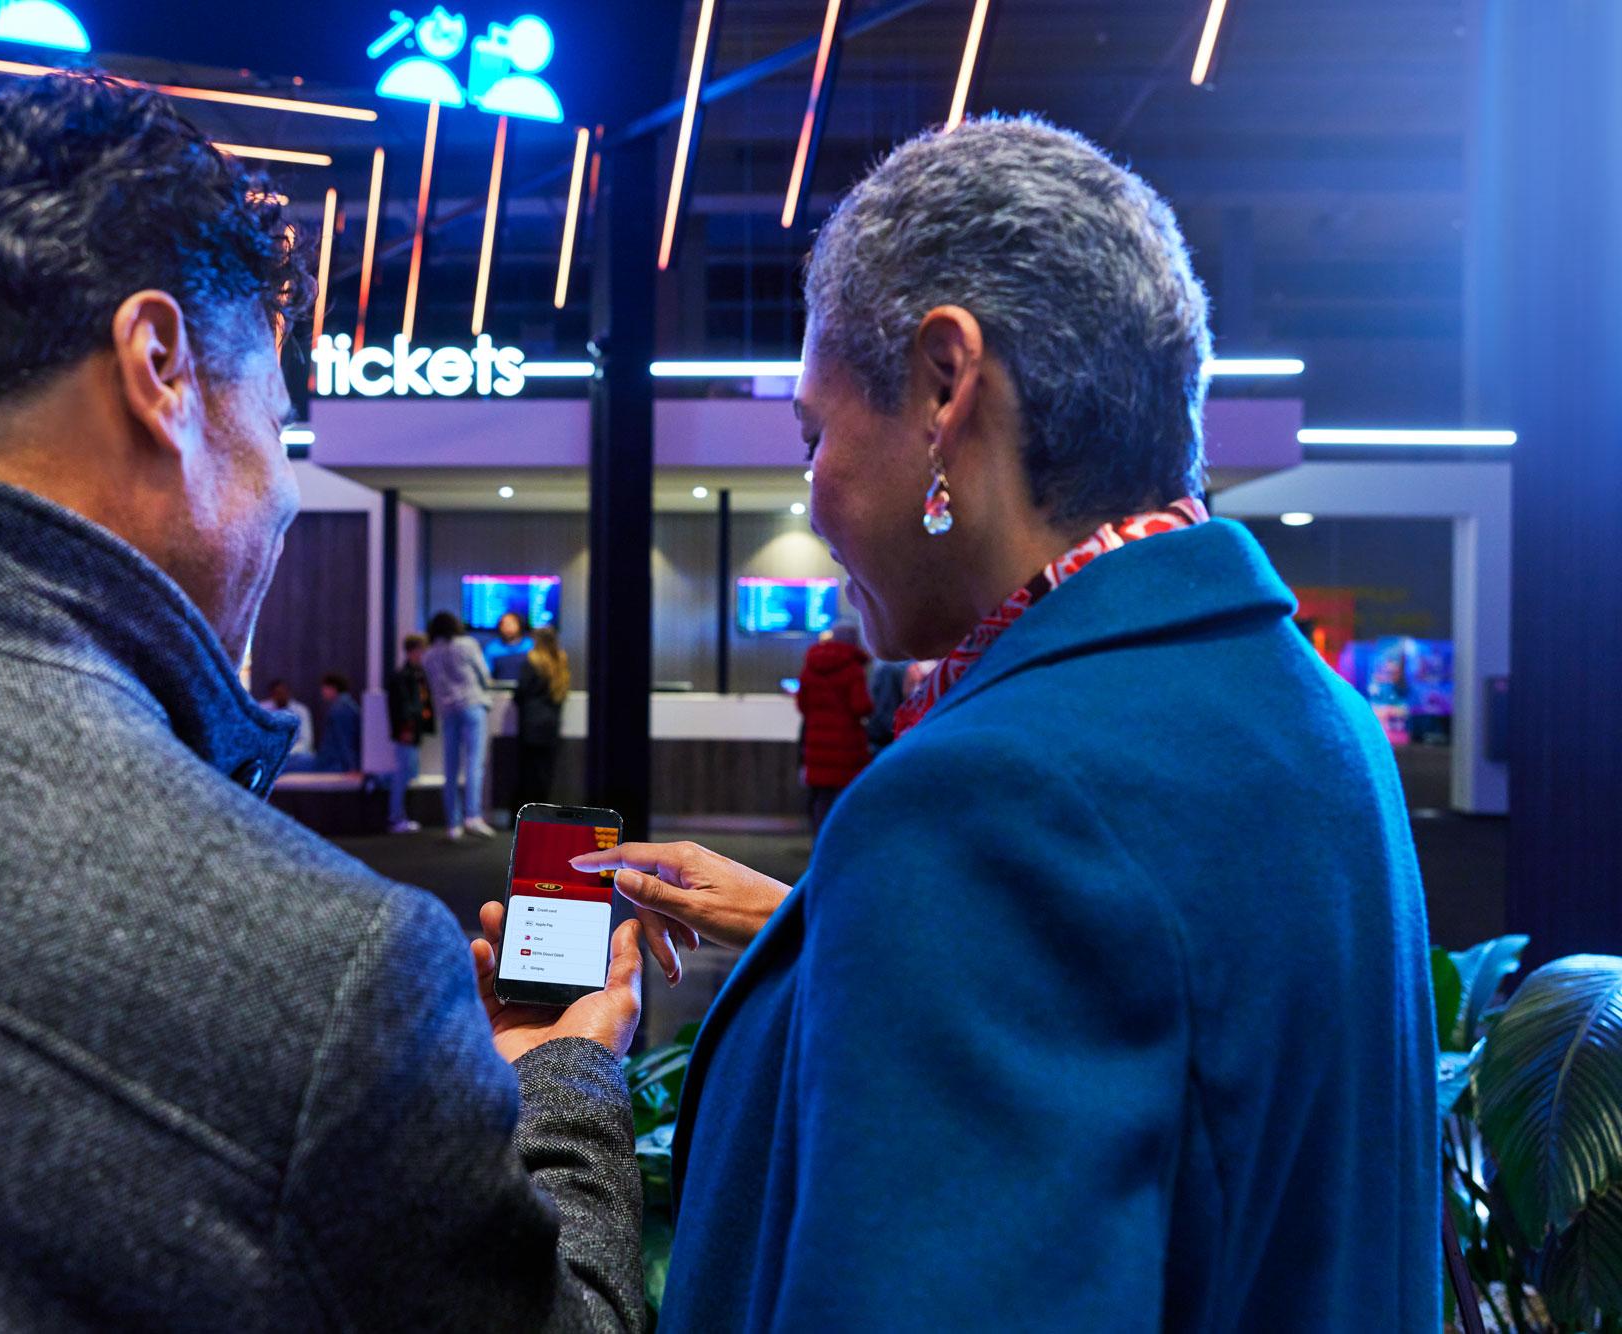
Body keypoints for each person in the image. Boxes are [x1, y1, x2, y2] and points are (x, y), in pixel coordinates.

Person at [0, 73, 648, 1330]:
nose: (279, 489)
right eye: (276, 422)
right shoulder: (325, 969)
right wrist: (563, 1086)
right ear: (160, 368)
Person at [570, 117, 1435, 1330]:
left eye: (813, 434)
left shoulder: (988, 803)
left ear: (942, 386)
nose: (808, 493)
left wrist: (555, 1095)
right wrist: (838, 939)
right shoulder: (1309, 713)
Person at [424, 608, 496, 840]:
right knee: (475, 763)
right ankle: (472, 817)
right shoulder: (467, 644)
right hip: (472, 705)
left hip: (447, 711)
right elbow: (484, 675)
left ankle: (452, 825)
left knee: (451, 767)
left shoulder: (429, 655)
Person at [793, 626, 873, 828]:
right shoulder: (853, 668)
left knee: (821, 796)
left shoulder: (810, 666)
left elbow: (802, 704)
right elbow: (860, 706)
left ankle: (819, 842)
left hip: (816, 741)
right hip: (846, 743)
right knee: (844, 795)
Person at [513, 625, 569, 809]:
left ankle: (523, 817)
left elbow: (521, 692)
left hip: (531, 724)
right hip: (551, 724)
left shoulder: (532, 661)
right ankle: (542, 816)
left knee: (528, 773)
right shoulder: (560, 660)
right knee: (545, 773)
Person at [384, 632, 434, 832]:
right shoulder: (403, 676)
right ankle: (395, 817)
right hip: (407, 731)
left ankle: (398, 815)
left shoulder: (417, 674)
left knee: (407, 771)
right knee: (403, 773)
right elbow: (402, 706)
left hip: (412, 731)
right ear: (413, 651)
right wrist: (407, 728)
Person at [281, 671, 361, 773]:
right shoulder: (347, 705)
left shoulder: (340, 709)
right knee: (294, 759)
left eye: (324, 689)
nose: (322, 692)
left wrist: (352, 767)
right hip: (328, 760)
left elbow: (345, 741)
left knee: (285, 764)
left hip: (330, 763)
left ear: (332, 688)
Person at [258, 677, 315, 756]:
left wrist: (285, 752)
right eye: (277, 693)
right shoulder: (262, 709)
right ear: (272, 694)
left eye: (283, 693)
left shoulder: (301, 711)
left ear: (288, 692)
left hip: (295, 755)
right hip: (269, 755)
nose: (281, 696)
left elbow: (306, 742)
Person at [484, 609, 534, 680]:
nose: (507, 627)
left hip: (527, 688)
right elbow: (486, 674)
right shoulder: (492, 648)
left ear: (520, 625)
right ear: (499, 627)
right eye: (504, 624)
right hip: (499, 688)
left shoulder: (531, 645)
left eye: (511, 623)